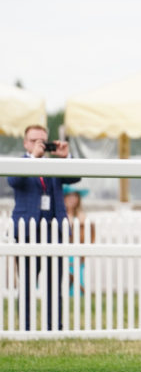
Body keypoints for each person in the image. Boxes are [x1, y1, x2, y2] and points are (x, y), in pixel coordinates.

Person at [7, 124, 81, 330]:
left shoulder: (55, 165)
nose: (38, 144)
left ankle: (54, 327)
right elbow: (13, 181)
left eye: (42, 141)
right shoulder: (20, 163)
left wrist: (65, 157)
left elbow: (75, 177)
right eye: (33, 141)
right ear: (25, 143)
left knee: (54, 285)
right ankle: (26, 327)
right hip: (26, 233)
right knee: (27, 285)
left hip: (53, 231)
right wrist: (34, 158)